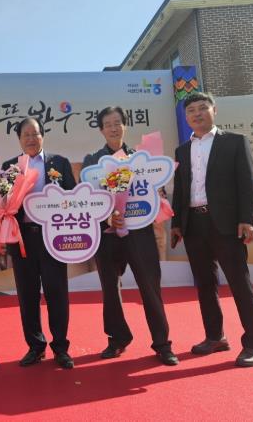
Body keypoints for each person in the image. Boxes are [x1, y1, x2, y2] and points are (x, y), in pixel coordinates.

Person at [171, 92, 253, 367]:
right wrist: (176, 224)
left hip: (226, 223)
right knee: (204, 284)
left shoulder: (234, 142)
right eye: (191, 110)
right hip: (193, 224)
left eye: (202, 108)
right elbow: (181, 189)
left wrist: (247, 219)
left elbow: (246, 183)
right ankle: (215, 337)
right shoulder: (182, 150)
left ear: (214, 110)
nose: (197, 114)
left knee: (239, 283)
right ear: (186, 117)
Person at [82, 106, 179, 366]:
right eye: (108, 124)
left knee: (150, 287)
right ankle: (117, 338)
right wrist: (108, 217)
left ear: (125, 126)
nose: (113, 128)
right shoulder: (93, 162)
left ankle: (162, 343)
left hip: (140, 234)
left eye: (118, 123)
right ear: (101, 130)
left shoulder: (141, 159)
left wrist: (158, 197)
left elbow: (157, 193)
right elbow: (89, 199)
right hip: (107, 235)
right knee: (110, 289)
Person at [3, 117, 76, 369]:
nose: (31, 139)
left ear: (42, 136)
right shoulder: (10, 167)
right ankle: (35, 347)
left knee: (57, 293)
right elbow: (2, 203)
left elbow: (73, 197)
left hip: (53, 238)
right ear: (19, 140)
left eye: (35, 134)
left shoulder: (60, 163)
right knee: (27, 295)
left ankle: (61, 347)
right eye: (25, 135)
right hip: (23, 238)